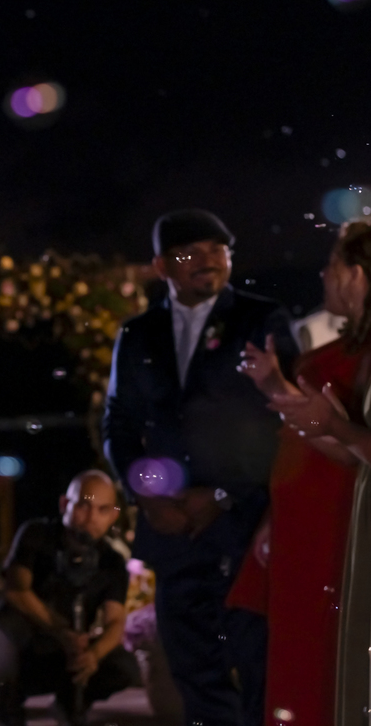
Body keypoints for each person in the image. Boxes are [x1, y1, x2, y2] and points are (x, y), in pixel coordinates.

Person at [102, 209, 297, 726]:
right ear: (162, 266)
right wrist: (147, 496)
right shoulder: (138, 334)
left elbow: (286, 423)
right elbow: (119, 424)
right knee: (192, 667)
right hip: (172, 530)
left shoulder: (263, 319)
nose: (209, 261)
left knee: (257, 662)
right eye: (192, 253)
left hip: (245, 524)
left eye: (219, 250)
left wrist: (219, 495)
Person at [236, 221, 371, 724]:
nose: (324, 273)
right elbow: (324, 447)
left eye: (334, 264)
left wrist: (328, 420)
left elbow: (344, 442)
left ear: (357, 276)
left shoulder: (352, 359)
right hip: (318, 536)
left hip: (343, 536)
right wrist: (282, 392)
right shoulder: (336, 357)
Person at [0, 470, 139, 725]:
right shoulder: (35, 535)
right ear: (65, 504)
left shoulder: (111, 561)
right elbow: (16, 591)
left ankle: (69, 705)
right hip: (27, 649)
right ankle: (10, 708)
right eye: (84, 506)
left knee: (123, 668)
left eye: (102, 509)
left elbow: (116, 621)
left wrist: (93, 656)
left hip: (68, 653)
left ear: (113, 515)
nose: (91, 518)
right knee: (5, 632)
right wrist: (61, 630)